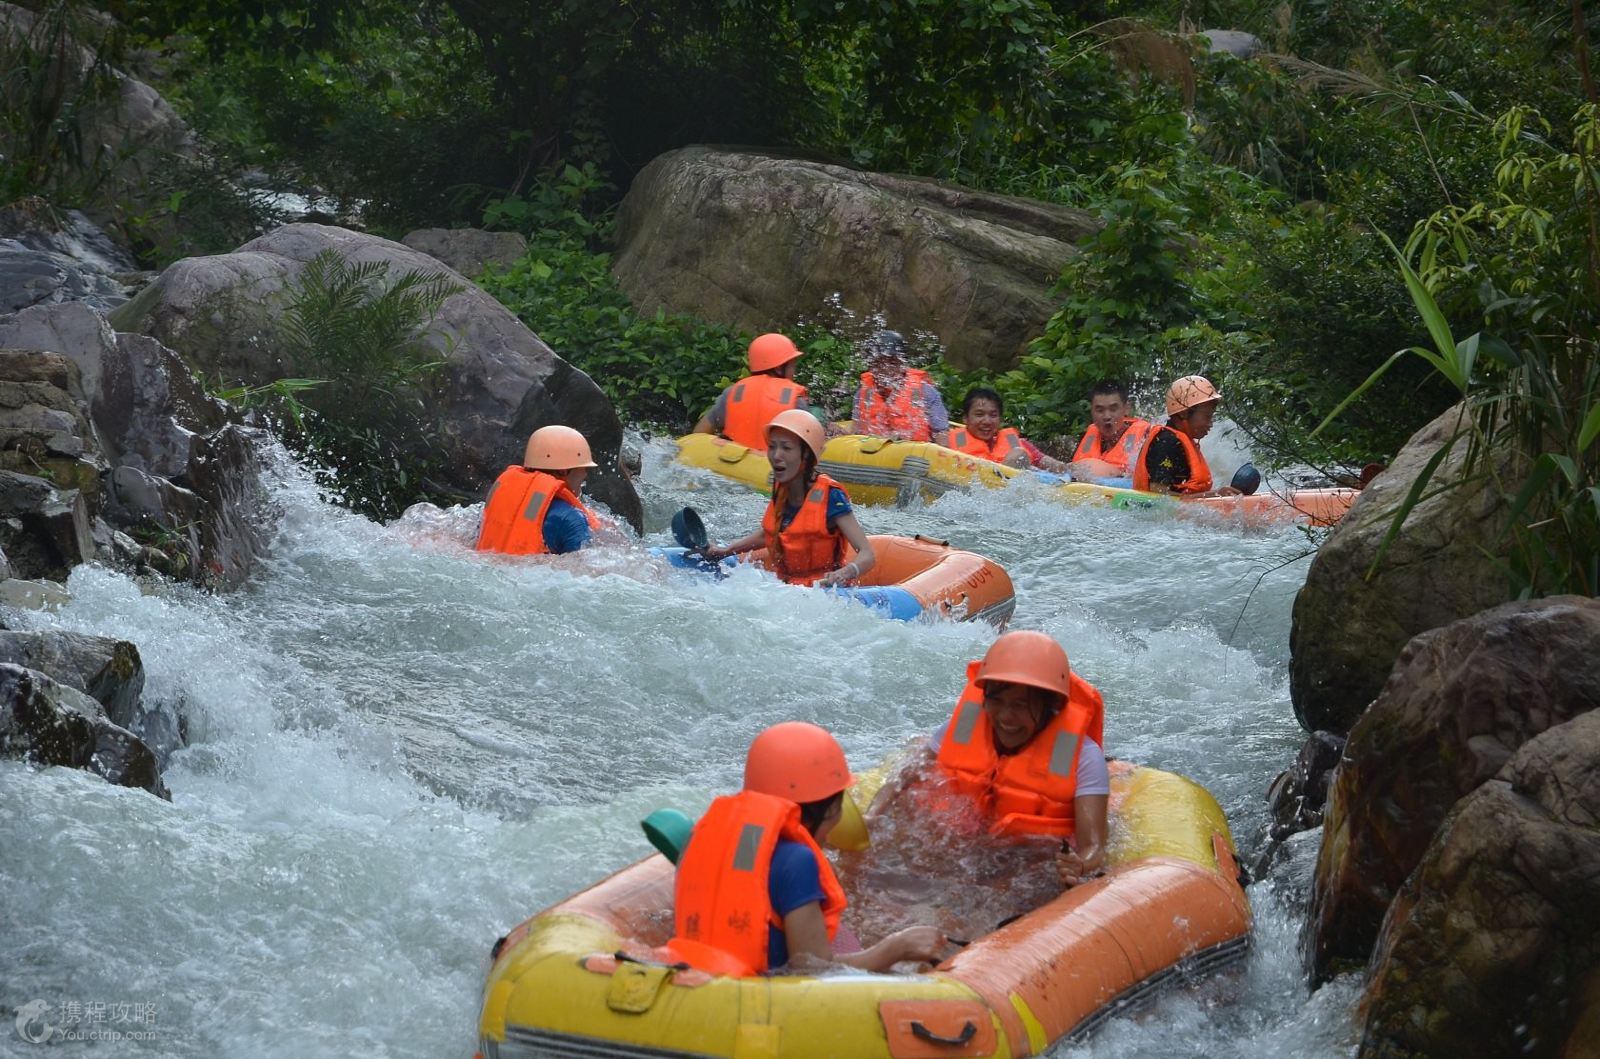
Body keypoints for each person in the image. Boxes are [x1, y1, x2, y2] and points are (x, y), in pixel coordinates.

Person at [669, 721, 946, 976]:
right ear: (833, 809)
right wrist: (894, 948)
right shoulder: (796, 861)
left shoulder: (702, 834)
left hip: (698, 982)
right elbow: (812, 969)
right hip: (761, 1001)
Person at [873, 631, 1111, 889]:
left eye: (1020, 705)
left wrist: (1081, 864)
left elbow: (1095, 847)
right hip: (970, 844)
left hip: (1030, 857)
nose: (1006, 717)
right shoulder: (966, 725)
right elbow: (909, 771)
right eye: (997, 702)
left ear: (1051, 706)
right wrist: (874, 813)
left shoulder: (1084, 757)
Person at [701, 410, 875, 588]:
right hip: (785, 588)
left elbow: (867, 554)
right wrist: (727, 551)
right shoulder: (781, 489)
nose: (776, 455)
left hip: (823, 591)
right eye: (773, 446)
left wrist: (843, 574)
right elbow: (769, 534)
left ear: (806, 455)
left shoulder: (831, 496)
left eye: (786, 448)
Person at [475, 425, 604, 555]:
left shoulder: (501, 503)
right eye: (583, 468)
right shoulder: (570, 518)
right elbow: (585, 569)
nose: (585, 475)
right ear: (563, 470)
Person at [693, 333, 812, 450]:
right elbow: (811, 449)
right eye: (792, 366)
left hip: (732, 461)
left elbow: (698, 435)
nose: (794, 371)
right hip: (773, 466)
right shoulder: (795, 400)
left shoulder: (733, 393)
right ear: (779, 368)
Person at [1132, 375, 1241, 498]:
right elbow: (1158, 494)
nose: (1210, 424)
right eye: (1207, 416)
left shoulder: (1179, 440)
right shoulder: (1166, 442)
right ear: (1184, 413)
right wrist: (1214, 495)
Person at [849, 330, 949, 445]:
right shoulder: (862, 394)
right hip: (874, 458)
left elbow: (941, 433)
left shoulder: (926, 392)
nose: (885, 369)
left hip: (914, 458)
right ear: (871, 365)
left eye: (892, 362)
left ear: (902, 363)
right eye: (878, 363)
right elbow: (855, 432)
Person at [946, 387, 1067, 473]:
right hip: (969, 490)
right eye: (979, 414)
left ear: (1000, 419)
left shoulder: (1019, 444)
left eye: (993, 415)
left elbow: (1058, 467)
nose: (987, 421)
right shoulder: (947, 442)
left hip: (1006, 496)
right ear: (965, 418)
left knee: (1018, 454)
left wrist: (1071, 470)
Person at [1070, 380, 1154, 478]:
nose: (1107, 416)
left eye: (1113, 409)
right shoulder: (1090, 436)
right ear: (1091, 411)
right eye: (1100, 410)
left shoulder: (1146, 439)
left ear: (1126, 408)